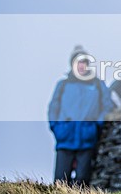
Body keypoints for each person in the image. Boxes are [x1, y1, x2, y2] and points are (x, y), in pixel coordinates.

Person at [47, 46, 113, 186]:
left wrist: (96, 125)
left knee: (83, 180)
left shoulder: (98, 85)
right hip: (65, 137)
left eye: (84, 62)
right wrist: (57, 127)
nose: (81, 66)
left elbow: (107, 106)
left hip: (87, 138)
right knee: (60, 181)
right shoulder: (63, 85)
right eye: (78, 63)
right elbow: (53, 107)